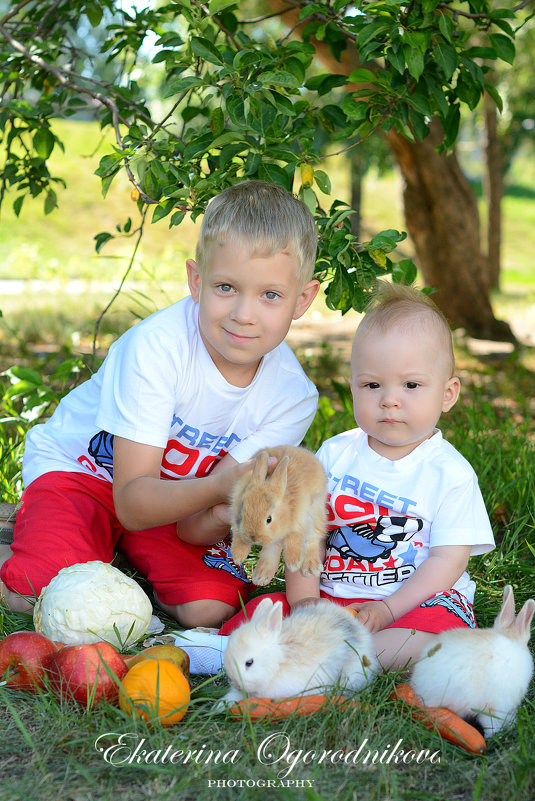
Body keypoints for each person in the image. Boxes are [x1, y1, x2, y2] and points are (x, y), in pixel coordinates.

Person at [0, 180, 321, 629]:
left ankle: (114, 552)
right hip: (85, 475)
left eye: (271, 295)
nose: (244, 314)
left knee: (211, 606)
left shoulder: (293, 397)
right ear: (196, 280)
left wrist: (223, 506)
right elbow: (133, 503)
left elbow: (198, 521)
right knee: (45, 589)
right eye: (226, 287)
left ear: (302, 299)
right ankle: (34, 535)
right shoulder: (157, 347)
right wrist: (220, 488)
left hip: (175, 502)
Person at [178, 280, 495, 673]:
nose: (390, 398)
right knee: (267, 610)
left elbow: (448, 560)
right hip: (333, 597)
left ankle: (335, 660)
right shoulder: (335, 454)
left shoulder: (450, 473)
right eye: (372, 384)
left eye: (411, 385)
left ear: (448, 394)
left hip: (412, 604)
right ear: (352, 387)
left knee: (426, 642)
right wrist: (306, 599)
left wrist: (388, 607)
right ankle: (223, 649)